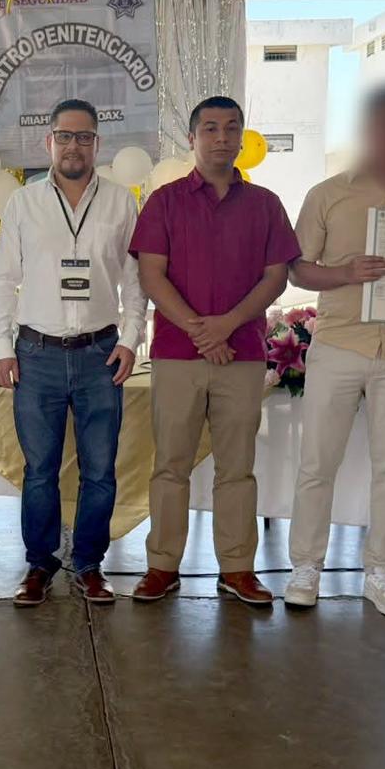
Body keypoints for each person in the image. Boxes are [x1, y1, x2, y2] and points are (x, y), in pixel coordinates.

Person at [128, 96, 301, 605]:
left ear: (242, 136)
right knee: (170, 464)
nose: (221, 137)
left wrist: (226, 326)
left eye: (231, 128)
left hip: (242, 354)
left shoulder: (265, 204)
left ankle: (237, 568)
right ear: (192, 138)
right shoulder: (164, 201)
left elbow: (276, 278)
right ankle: (162, 566)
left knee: (237, 466)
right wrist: (202, 332)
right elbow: (151, 275)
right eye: (210, 128)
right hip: (177, 355)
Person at [0, 98, 147, 606]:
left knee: (100, 470)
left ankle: (89, 564)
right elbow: (3, 280)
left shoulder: (121, 202)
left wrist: (130, 339)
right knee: (40, 471)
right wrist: (1, 348)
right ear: (48, 142)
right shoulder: (23, 203)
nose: (73, 145)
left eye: (83, 137)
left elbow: (134, 281)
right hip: (37, 355)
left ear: (98, 143)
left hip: (101, 354)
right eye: (64, 136)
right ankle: (40, 564)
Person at [286, 85, 385, 616]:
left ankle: (381, 571)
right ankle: (305, 566)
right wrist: (345, 273)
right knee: (317, 463)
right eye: (382, 124)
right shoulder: (328, 194)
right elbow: (298, 269)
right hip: (340, 342)